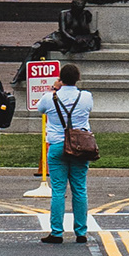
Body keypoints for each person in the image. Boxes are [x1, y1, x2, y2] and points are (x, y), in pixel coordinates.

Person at [44, 58, 96, 244]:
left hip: (58, 144)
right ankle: (81, 231)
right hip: (80, 145)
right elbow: (88, 110)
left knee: (58, 190)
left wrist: (53, 89)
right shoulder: (86, 97)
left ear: (61, 79)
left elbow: (41, 108)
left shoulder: (51, 98)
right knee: (79, 188)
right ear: (77, 79)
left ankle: (56, 232)